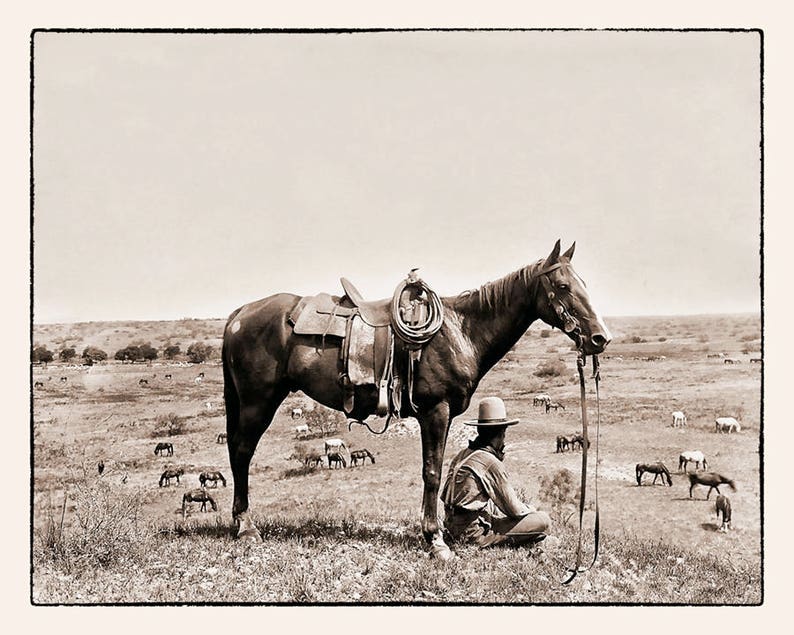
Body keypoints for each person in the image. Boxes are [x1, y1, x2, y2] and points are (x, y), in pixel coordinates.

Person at [441, 396, 552, 548]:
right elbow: (514, 510)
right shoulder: (489, 461)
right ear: (501, 434)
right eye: (504, 435)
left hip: (451, 527)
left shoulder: (462, 455)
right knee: (543, 520)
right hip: (473, 533)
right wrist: (531, 510)